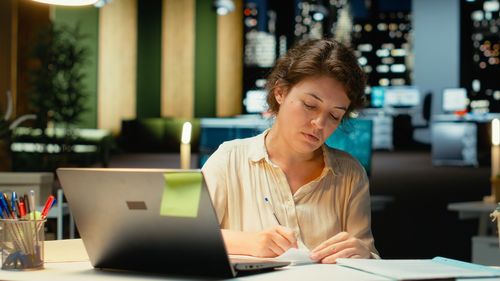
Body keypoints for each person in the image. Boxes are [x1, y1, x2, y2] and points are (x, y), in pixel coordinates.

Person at [202, 38, 379, 263]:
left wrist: (363, 254)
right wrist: (250, 243)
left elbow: (367, 256)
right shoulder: (229, 160)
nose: (320, 124)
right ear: (280, 92)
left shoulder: (350, 174)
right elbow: (183, 237)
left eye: (335, 115)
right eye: (310, 105)